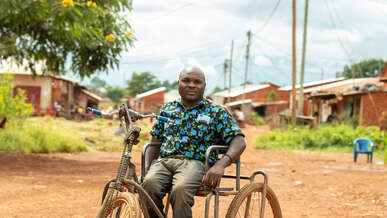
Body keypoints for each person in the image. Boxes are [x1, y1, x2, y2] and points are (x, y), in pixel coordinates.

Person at [142, 66, 246, 218]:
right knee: (147, 185)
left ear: (204, 86)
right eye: (186, 81)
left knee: (180, 189)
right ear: (178, 83)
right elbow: (155, 140)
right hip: (164, 162)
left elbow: (239, 141)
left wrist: (220, 164)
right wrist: (147, 169)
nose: (191, 85)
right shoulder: (168, 109)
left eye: (197, 82)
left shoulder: (216, 111)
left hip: (196, 163)